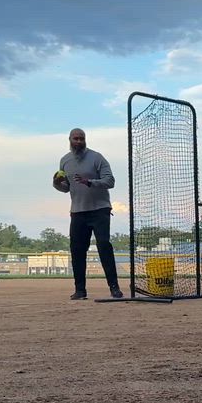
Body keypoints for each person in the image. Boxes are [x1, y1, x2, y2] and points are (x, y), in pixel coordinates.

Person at [53, 128, 122, 300]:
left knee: (104, 246)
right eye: (75, 139)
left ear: (85, 140)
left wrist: (89, 182)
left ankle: (114, 287)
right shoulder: (65, 161)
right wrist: (57, 184)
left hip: (100, 210)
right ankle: (80, 290)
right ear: (69, 140)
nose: (78, 142)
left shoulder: (97, 158)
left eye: (81, 139)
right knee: (77, 250)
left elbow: (110, 181)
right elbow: (66, 188)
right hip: (78, 211)